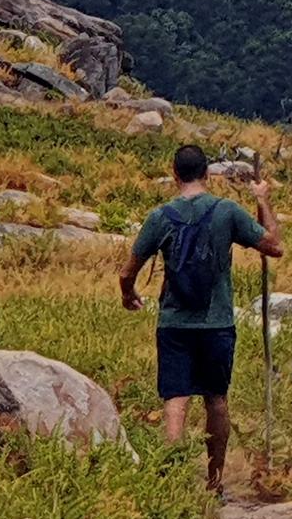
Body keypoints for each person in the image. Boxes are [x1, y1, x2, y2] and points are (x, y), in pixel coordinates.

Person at [120, 144, 283, 491]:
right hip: (217, 323)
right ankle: (216, 482)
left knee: (176, 401)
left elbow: (127, 272)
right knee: (216, 399)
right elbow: (274, 245)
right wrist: (263, 199)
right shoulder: (226, 211)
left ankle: (174, 481)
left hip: (174, 323)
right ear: (207, 174)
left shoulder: (160, 216)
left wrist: (128, 294)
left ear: (175, 174)